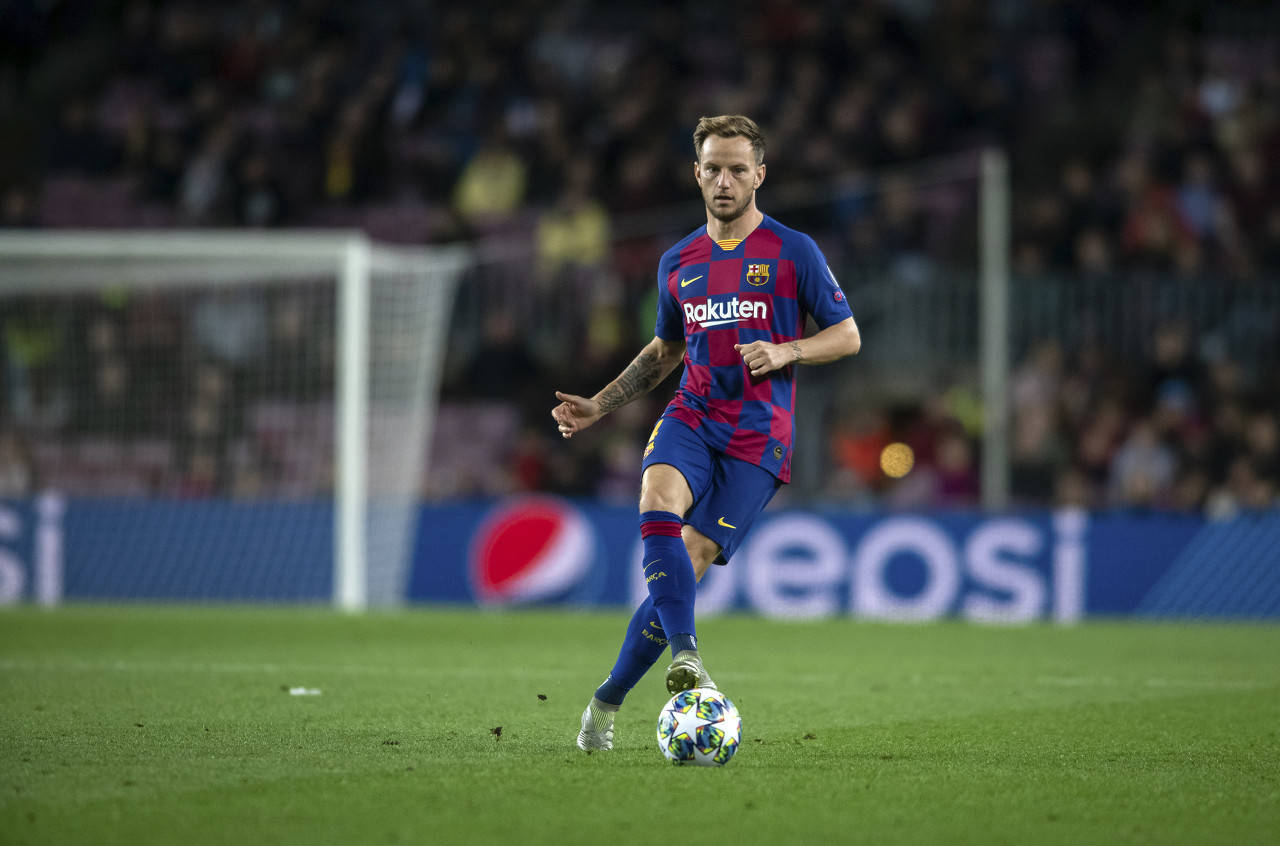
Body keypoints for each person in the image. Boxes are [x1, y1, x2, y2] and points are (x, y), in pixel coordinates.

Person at [551, 115, 861, 751]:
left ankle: (605, 703)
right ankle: (687, 654)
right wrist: (600, 405)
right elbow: (665, 350)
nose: (725, 181)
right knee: (656, 497)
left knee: (689, 558)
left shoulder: (793, 250)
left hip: (758, 438)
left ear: (760, 175)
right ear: (696, 174)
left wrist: (788, 350)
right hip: (691, 415)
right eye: (714, 169)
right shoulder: (678, 261)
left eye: (737, 170)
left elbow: (848, 335)